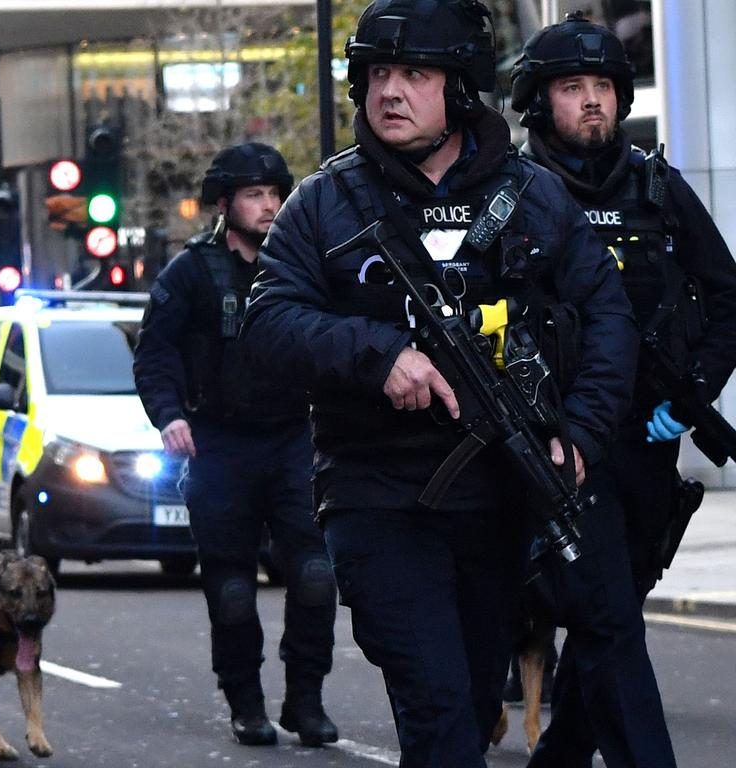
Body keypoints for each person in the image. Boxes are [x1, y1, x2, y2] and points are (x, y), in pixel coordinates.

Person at [240, 0, 670, 764]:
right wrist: (380, 356)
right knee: (436, 704)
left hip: (501, 499)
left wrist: (580, 434)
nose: (389, 92)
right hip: (378, 495)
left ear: (460, 88)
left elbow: (608, 321)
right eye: (376, 75)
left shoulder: (533, 198)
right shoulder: (323, 204)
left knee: (471, 706)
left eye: (414, 74)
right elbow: (269, 322)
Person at [511, 13, 736, 766]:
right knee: (608, 619)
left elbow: (727, 296)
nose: (592, 101)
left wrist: (694, 392)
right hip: (562, 443)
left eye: (602, 85)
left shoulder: (657, 187)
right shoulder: (510, 194)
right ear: (542, 101)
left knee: (612, 622)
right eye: (572, 88)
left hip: (647, 441)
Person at [133, 143, 339, 748]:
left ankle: (306, 698)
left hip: (294, 439)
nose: (270, 206)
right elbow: (155, 353)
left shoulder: (304, 265)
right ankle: (246, 703)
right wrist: (169, 417)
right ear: (225, 204)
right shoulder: (192, 272)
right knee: (230, 587)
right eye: (255, 195)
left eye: (277, 194)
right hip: (218, 445)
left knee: (314, 573)